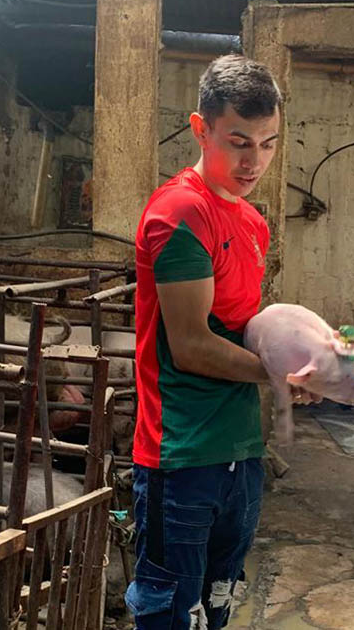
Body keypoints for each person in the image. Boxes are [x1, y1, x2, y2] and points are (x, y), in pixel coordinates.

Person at [127, 54, 302, 629]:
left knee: (218, 604)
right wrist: (281, 373)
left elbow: (242, 327)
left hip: (239, 452)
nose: (255, 161)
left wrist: (310, 354)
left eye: (268, 144)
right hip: (181, 455)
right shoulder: (182, 211)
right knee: (172, 613)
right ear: (201, 129)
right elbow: (191, 345)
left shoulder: (251, 223)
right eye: (239, 142)